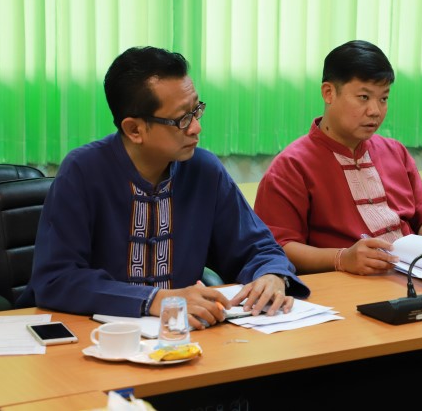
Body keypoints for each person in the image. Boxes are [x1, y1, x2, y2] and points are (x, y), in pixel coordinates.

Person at [18, 46, 309, 328]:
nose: (196, 127)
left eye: (196, 110)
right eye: (182, 119)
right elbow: (56, 279)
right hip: (94, 337)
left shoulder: (204, 171)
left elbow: (257, 246)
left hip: (180, 337)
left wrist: (271, 275)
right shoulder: (82, 172)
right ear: (134, 129)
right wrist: (155, 300)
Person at [253, 40, 422, 275]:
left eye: (383, 98)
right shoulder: (291, 166)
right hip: (349, 283)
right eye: (364, 97)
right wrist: (341, 258)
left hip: (413, 275)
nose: (375, 111)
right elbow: (278, 247)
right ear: (329, 93)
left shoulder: (395, 151)